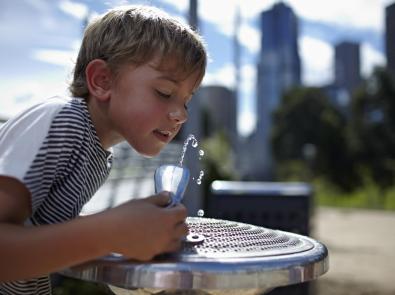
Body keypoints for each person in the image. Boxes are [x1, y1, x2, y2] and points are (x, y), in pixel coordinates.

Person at [0, 5, 207, 294]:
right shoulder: (64, 123)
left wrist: (128, 233)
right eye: (164, 92)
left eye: (186, 101)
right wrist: (108, 233)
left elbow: (39, 235)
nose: (181, 115)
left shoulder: (94, 152)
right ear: (102, 80)